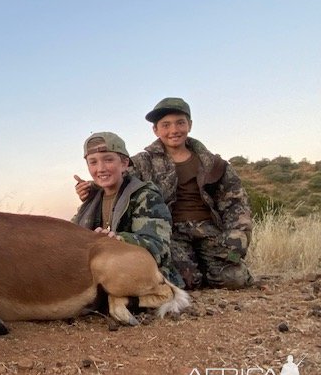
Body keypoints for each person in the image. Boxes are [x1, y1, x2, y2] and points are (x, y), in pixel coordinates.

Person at [76, 98, 253, 290]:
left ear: (190, 125)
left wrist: (237, 239)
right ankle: (198, 271)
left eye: (180, 123)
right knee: (186, 280)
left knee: (233, 279)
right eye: (165, 125)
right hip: (170, 234)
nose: (173, 130)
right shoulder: (142, 162)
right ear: (156, 130)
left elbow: (237, 204)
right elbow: (116, 178)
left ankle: (218, 266)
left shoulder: (215, 164)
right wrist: (91, 188)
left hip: (210, 232)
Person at [72, 131, 182, 286]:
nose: (101, 168)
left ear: (124, 163)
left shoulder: (145, 196)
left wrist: (116, 240)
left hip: (139, 273)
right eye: (93, 162)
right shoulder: (90, 201)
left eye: (108, 160)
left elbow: (158, 247)